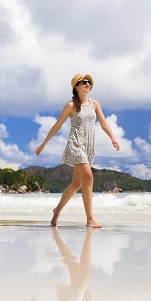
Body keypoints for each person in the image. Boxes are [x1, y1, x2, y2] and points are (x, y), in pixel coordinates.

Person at [36, 73, 120, 228]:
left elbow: (103, 123)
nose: (87, 84)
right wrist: (43, 144)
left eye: (89, 82)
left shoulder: (95, 104)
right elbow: (57, 125)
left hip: (88, 146)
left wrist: (113, 138)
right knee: (88, 177)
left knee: (76, 184)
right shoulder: (70, 106)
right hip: (75, 144)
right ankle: (90, 219)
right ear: (76, 86)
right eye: (84, 82)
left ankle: (57, 211)